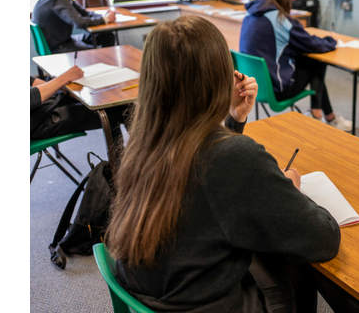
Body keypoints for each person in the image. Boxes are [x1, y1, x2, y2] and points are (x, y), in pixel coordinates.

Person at [106, 16, 342, 312]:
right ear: (217, 77)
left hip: (167, 292)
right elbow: (323, 239)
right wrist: (292, 190)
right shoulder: (234, 157)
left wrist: (234, 118)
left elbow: (206, 177)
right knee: (296, 258)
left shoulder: (144, 140)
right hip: (211, 302)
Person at [240, 0, 353, 132]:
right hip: (277, 90)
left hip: (253, 87)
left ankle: (325, 115)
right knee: (316, 61)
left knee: (308, 61)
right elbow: (313, 44)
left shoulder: (250, 14)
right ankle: (317, 113)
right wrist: (331, 40)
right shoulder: (280, 20)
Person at [30, 65, 127, 149]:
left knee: (107, 100)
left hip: (41, 106)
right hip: (38, 121)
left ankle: (128, 158)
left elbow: (31, 81)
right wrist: (64, 77)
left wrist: (64, 90)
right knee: (117, 110)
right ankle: (127, 162)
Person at [32, 0, 116, 54]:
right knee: (94, 53)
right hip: (59, 46)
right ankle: (104, 63)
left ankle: (107, 64)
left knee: (107, 36)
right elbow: (79, 22)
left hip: (62, 40)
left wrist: (103, 17)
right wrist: (105, 20)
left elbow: (83, 13)